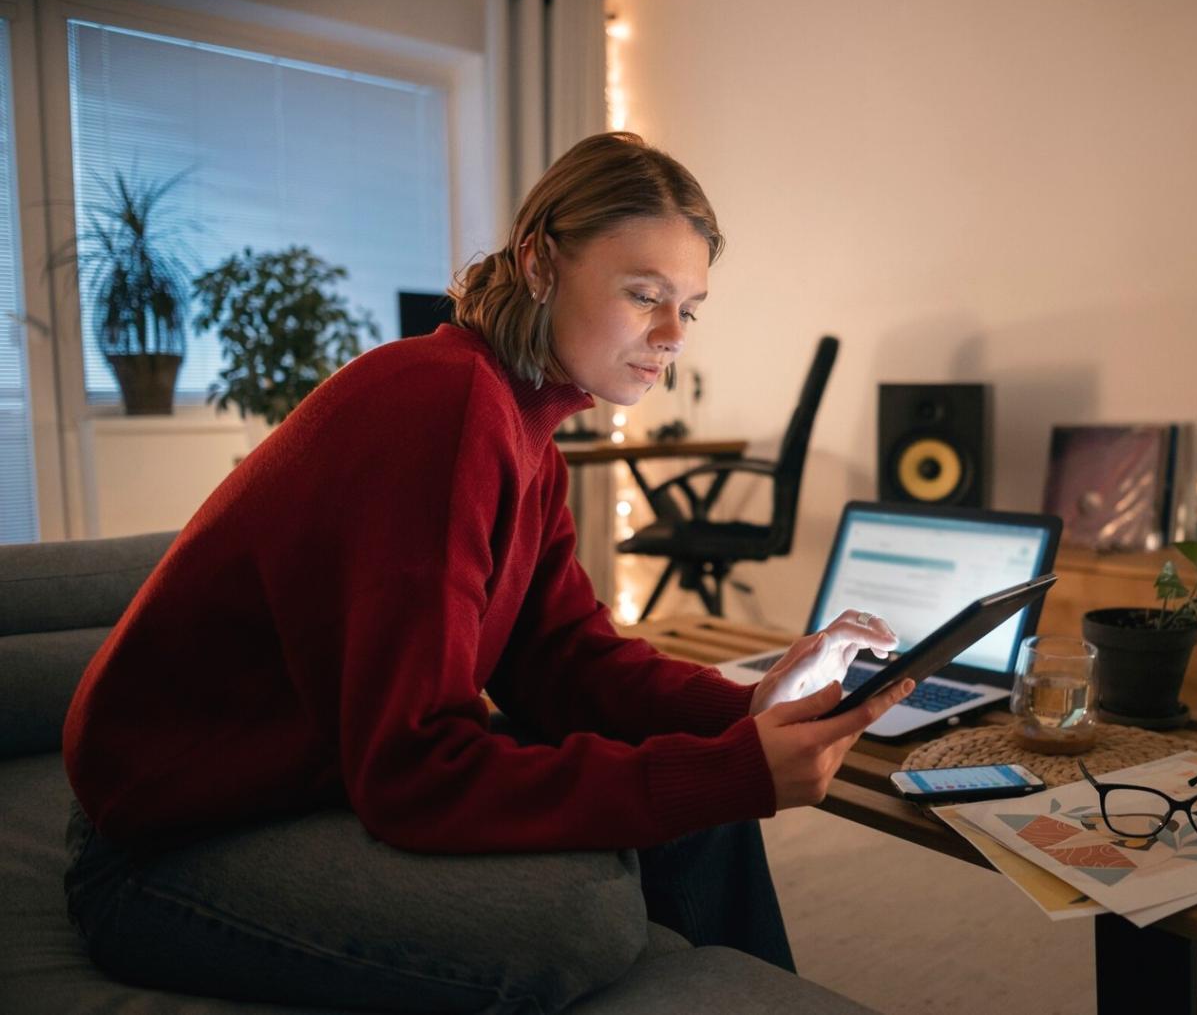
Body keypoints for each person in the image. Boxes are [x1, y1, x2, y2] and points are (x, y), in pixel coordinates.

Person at [61, 131, 911, 1013]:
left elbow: (562, 660)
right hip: (168, 842)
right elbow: (415, 773)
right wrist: (726, 771)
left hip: (318, 776)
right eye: (643, 295)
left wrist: (743, 710)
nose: (670, 337)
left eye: (688, 309)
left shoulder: (523, 430)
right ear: (540, 262)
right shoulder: (441, 404)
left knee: (708, 799)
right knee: (581, 921)